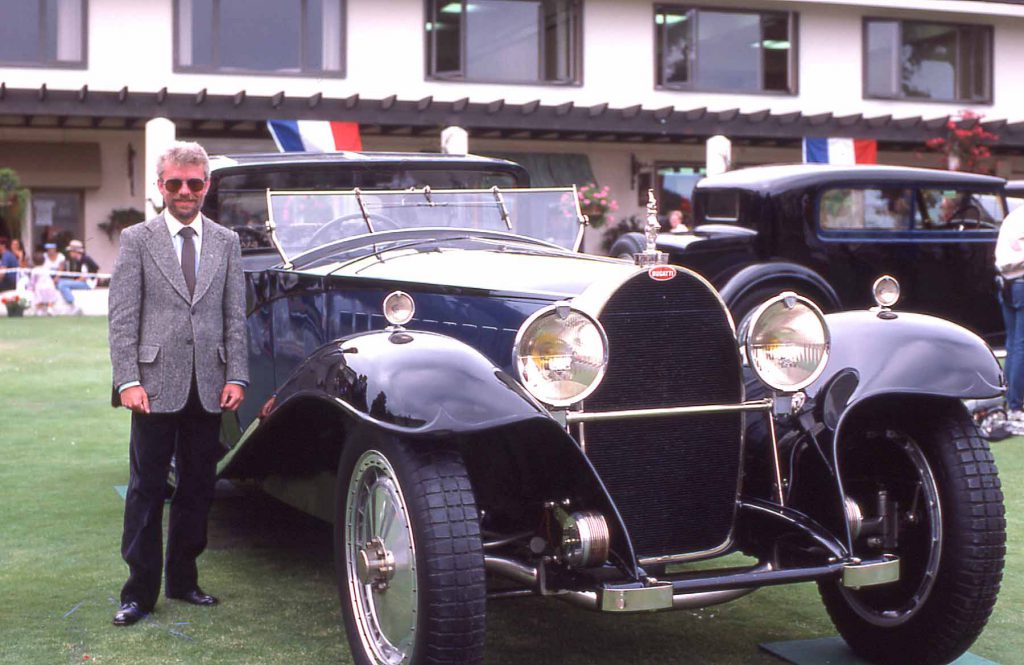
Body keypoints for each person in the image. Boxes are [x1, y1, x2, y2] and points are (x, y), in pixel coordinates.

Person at [108, 141, 248, 626]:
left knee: (198, 487)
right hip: (151, 385)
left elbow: (235, 315)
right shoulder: (136, 239)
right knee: (147, 488)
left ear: (206, 185)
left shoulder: (227, 242)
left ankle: (184, 582)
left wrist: (237, 375)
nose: (184, 191)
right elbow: (123, 317)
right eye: (174, 183)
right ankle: (139, 595)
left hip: (209, 385)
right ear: (160, 186)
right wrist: (127, 379)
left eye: (194, 183)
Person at [995, 203, 1024, 421]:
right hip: (1022, 282)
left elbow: (1001, 257)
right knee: (1021, 345)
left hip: (1006, 283)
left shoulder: (1011, 218)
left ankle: (1008, 398)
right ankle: (1016, 405)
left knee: (1012, 343)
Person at [57, 239, 99, 315]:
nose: (69, 253)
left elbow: (85, 277)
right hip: (84, 282)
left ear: (75, 251)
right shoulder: (79, 260)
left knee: (63, 284)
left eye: (70, 251)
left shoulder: (85, 259)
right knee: (61, 282)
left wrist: (75, 282)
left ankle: (73, 305)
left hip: (88, 284)